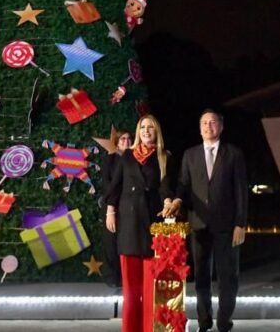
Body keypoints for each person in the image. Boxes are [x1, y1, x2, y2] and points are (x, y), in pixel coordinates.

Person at [163, 109, 247, 332]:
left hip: (227, 226)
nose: (208, 126)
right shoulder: (190, 155)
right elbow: (183, 185)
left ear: (220, 126)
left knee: (228, 276)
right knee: (201, 276)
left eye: (212, 122)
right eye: (204, 123)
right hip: (198, 225)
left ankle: (224, 321)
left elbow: (241, 192)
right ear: (199, 128)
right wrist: (177, 201)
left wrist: (240, 223)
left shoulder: (234, 154)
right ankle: (204, 320)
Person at [106, 115, 172, 332]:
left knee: (151, 289)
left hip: (152, 225)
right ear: (137, 131)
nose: (145, 131)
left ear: (156, 132)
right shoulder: (126, 156)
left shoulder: (164, 157)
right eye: (142, 127)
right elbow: (115, 186)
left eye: (150, 127)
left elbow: (165, 188)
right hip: (129, 226)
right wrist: (110, 211)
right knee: (131, 291)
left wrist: (168, 201)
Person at [100, 129, 132, 287]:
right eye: (123, 139)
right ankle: (112, 279)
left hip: (128, 208)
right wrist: (110, 208)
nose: (126, 142)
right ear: (117, 142)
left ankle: (125, 278)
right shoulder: (110, 159)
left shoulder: (134, 159)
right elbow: (109, 185)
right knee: (110, 243)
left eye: (128, 139)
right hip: (111, 207)